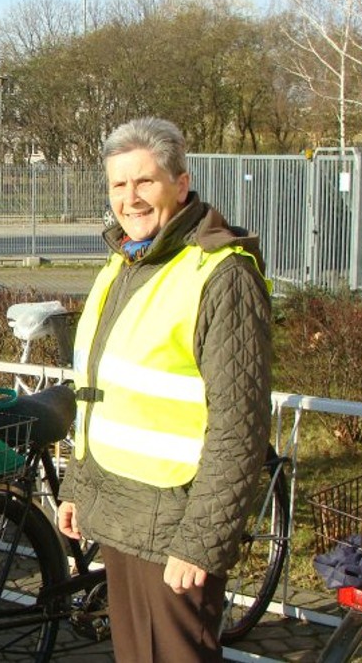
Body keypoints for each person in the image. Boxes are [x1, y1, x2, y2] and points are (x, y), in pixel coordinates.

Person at [55, 117, 273, 662]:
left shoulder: (220, 273)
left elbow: (239, 429)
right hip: (125, 516)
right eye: (118, 185)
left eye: (144, 182)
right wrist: (79, 487)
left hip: (176, 528)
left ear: (181, 182)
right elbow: (99, 395)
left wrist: (202, 540)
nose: (129, 199)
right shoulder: (127, 261)